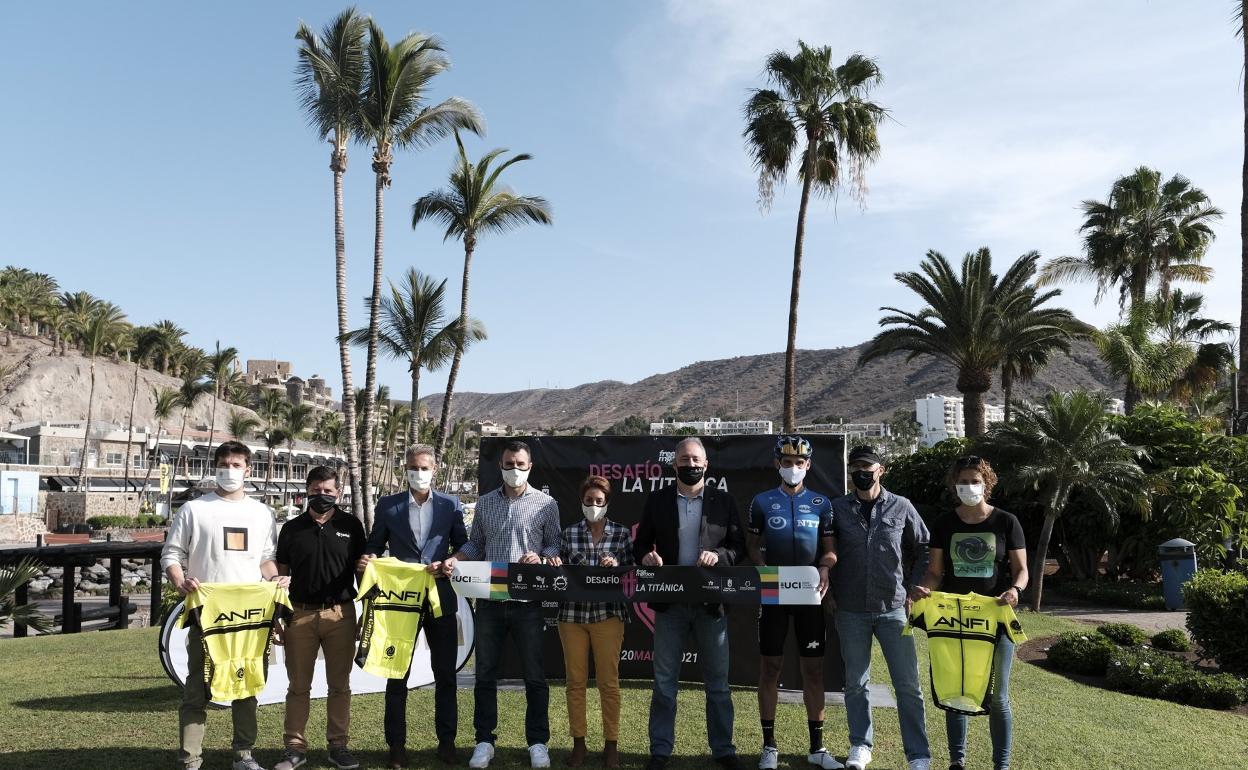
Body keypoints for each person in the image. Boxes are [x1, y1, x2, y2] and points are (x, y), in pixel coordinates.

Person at [161, 440, 288, 770]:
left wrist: (275, 578)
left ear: (248, 470)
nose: (229, 471)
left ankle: (243, 755)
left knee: (247, 687)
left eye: (236, 465)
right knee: (197, 690)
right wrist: (180, 581)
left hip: (250, 619)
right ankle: (190, 759)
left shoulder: (262, 513)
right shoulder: (194, 510)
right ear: (215, 467)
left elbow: (266, 559)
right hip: (208, 616)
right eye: (223, 465)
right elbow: (172, 555)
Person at [443, 440, 562, 770]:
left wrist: (543, 557)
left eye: (520, 464)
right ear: (500, 466)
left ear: (530, 466)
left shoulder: (546, 504)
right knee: (485, 676)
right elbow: (476, 544)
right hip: (490, 600)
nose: (514, 469)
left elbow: (555, 544)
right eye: (509, 463)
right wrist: (455, 559)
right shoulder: (485, 503)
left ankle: (537, 742)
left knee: (534, 677)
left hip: (528, 602)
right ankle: (484, 741)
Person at [633, 436, 747, 770]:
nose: (691, 465)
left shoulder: (724, 501)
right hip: (670, 604)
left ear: (706, 465)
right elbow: (640, 545)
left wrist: (719, 555)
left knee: (718, 685)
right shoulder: (658, 500)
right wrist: (647, 556)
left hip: (711, 604)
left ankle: (724, 750)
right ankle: (660, 751)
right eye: (684, 459)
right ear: (674, 464)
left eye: (696, 459)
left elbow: (738, 547)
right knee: (664, 683)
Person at [912, 456, 1028, 770]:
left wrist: (1015, 590)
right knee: (956, 690)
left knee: (998, 696)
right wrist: (924, 590)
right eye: (962, 482)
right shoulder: (944, 523)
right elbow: (935, 572)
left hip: (995, 617)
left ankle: (1001, 765)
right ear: (954, 485)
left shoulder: (1006, 522)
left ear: (987, 484)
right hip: (955, 619)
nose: (969, 487)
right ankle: (957, 761)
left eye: (975, 481)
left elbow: (1022, 570)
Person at [360, 445, 469, 768]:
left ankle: (447, 743)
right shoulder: (388, 505)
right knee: (397, 675)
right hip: (399, 601)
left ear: (434, 469)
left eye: (423, 468)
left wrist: (451, 561)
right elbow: (374, 544)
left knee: (445, 675)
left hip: (440, 596)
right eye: (412, 467)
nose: (418, 473)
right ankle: (396, 746)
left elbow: (463, 545)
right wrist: (369, 558)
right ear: (404, 469)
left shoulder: (451, 504)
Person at [829, 445, 931, 770]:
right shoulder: (836, 509)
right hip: (850, 609)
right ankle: (861, 745)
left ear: (881, 470)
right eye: (856, 467)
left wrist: (914, 586)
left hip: (894, 608)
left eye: (867, 466)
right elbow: (825, 550)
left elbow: (924, 545)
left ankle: (918, 754)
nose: (861, 472)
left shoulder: (902, 506)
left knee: (908, 686)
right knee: (855, 684)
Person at [746, 436, 841, 770]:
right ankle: (769, 746)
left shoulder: (821, 504)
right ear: (777, 464)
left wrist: (825, 567)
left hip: (809, 593)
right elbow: (752, 545)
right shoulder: (761, 501)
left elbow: (830, 550)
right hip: (774, 590)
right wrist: (761, 568)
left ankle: (817, 748)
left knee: (813, 670)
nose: (793, 468)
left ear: (808, 465)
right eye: (787, 462)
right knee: (770, 668)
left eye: (799, 463)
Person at [272, 466, 365, 770]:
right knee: (298, 686)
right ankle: (294, 748)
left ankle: (338, 746)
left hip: (341, 614)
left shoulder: (351, 525)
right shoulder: (291, 529)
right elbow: (280, 578)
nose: (322, 495)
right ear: (307, 490)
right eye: (316, 490)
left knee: (340, 685)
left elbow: (363, 572)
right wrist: (277, 617)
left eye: (328, 491)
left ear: (338, 492)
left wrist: (366, 613)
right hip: (299, 614)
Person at [558, 475, 633, 769]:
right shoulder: (569, 534)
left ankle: (611, 745)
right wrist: (555, 563)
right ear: (582, 502)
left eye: (599, 501)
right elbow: (558, 570)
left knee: (608, 682)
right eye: (588, 500)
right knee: (575, 682)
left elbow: (632, 572)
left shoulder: (621, 534)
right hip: (572, 616)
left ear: (607, 503)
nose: (593, 505)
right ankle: (579, 743)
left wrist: (617, 565)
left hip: (608, 614)